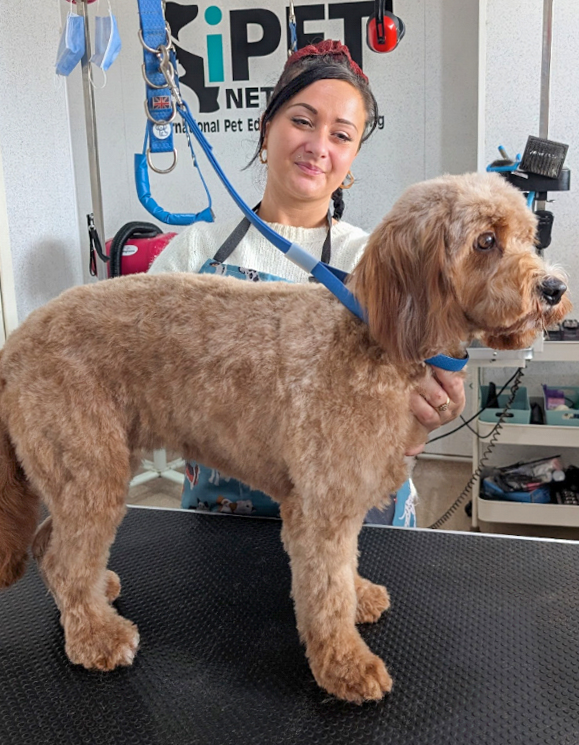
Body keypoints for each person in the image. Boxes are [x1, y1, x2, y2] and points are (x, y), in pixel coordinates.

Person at [148, 39, 465, 526]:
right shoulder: (198, 251)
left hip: (355, 523)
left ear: (353, 156)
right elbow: (143, 365)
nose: (319, 146)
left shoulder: (374, 261)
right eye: (302, 121)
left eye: (342, 135)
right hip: (224, 524)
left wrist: (424, 406)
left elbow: (424, 404)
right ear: (265, 128)